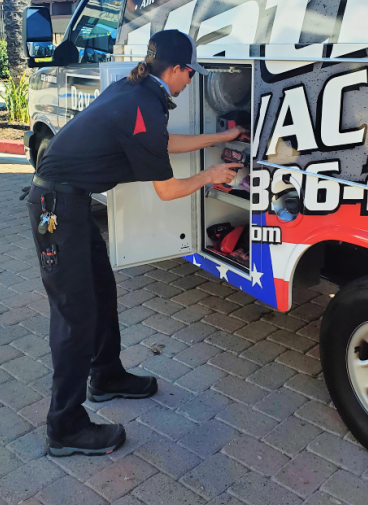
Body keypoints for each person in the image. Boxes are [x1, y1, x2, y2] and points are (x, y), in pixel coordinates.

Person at [27, 29, 245, 457]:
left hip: (70, 201)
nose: (189, 83)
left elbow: (160, 144)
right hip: (56, 208)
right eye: (189, 74)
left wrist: (222, 139)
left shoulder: (138, 90)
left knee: (102, 293)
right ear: (178, 69)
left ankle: (106, 376)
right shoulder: (142, 100)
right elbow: (166, 190)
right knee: (75, 316)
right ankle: (64, 427)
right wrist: (210, 176)